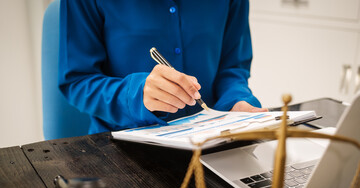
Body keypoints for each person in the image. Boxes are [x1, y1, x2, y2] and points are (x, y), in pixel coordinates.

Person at [59, 0, 267, 134]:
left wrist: (236, 102)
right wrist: (137, 95)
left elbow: (232, 67)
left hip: (212, 140)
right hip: (121, 146)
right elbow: (77, 81)